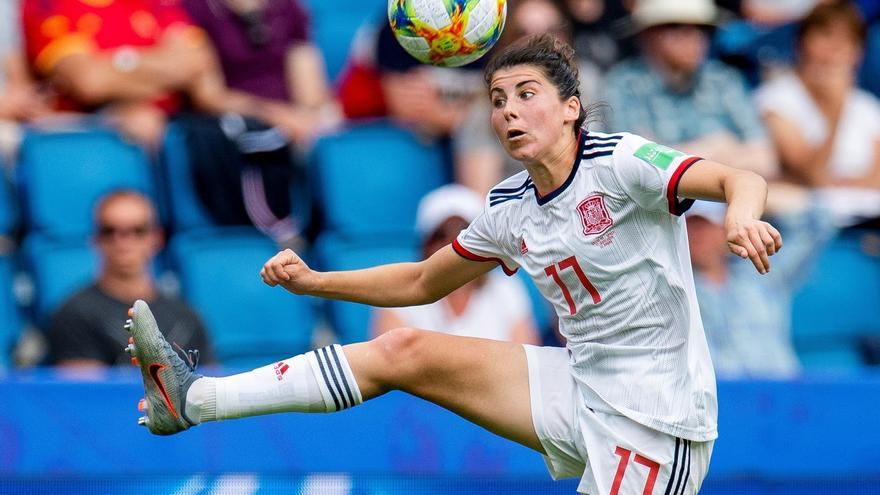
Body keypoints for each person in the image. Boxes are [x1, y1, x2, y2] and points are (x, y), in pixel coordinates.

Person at [124, 35, 782, 495]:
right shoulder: (509, 208)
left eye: (527, 93)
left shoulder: (621, 162)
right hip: (580, 383)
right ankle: (194, 398)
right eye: (497, 100)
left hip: (659, 415)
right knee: (405, 349)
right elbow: (418, 282)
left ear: (572, 108)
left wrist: (742, 216)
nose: (509, 110)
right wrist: (315, 281)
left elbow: (736, 177)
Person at [602, 0, 779, 179]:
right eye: (676, 27)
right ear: (647, 35)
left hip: (727, 196)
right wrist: (715, 147)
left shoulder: (723, 79)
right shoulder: (622, 86)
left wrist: (674, 157)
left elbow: (766, 160)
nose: (694, 37)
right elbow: (634, 168)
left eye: (702, 28)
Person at [47, 190, 214, 367]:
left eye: (138, 230)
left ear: (157, 238)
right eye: (109, 231)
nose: (123, 241)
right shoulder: (74, 315)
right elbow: (87, 392)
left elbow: (209, 386)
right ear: (96, 240)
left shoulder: (187, 318)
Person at [21, 0, 212, 149]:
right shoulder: (48, 4)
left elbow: (197, 64)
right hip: (88, 150)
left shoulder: (155, 3)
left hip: (177, 138)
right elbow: (89, 82)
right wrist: (163, 67)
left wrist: (117, 65)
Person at [754, 0, 880, 225]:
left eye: (847, 40)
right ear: (801, 43)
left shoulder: (867, 106)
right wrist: (837, 107)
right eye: (825, 35)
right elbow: (812, 176)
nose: (835, 48)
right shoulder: (775, 99)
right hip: (806, 225)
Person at [372, 184, 540, 345]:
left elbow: (526, 365)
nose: (452, 244)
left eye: (465, 232)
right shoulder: (399, 295)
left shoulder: (507, 290)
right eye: (440, 235)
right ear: (424, 245)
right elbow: (387, 365)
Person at [686, 199, 834, 378]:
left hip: (780, 391)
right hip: (718, 397)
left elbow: (819, 223)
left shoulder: (762, 274)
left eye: (706, 227)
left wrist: (748, 196)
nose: (696, 235)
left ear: (725, 230)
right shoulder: (675, 286)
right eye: (689, 227)